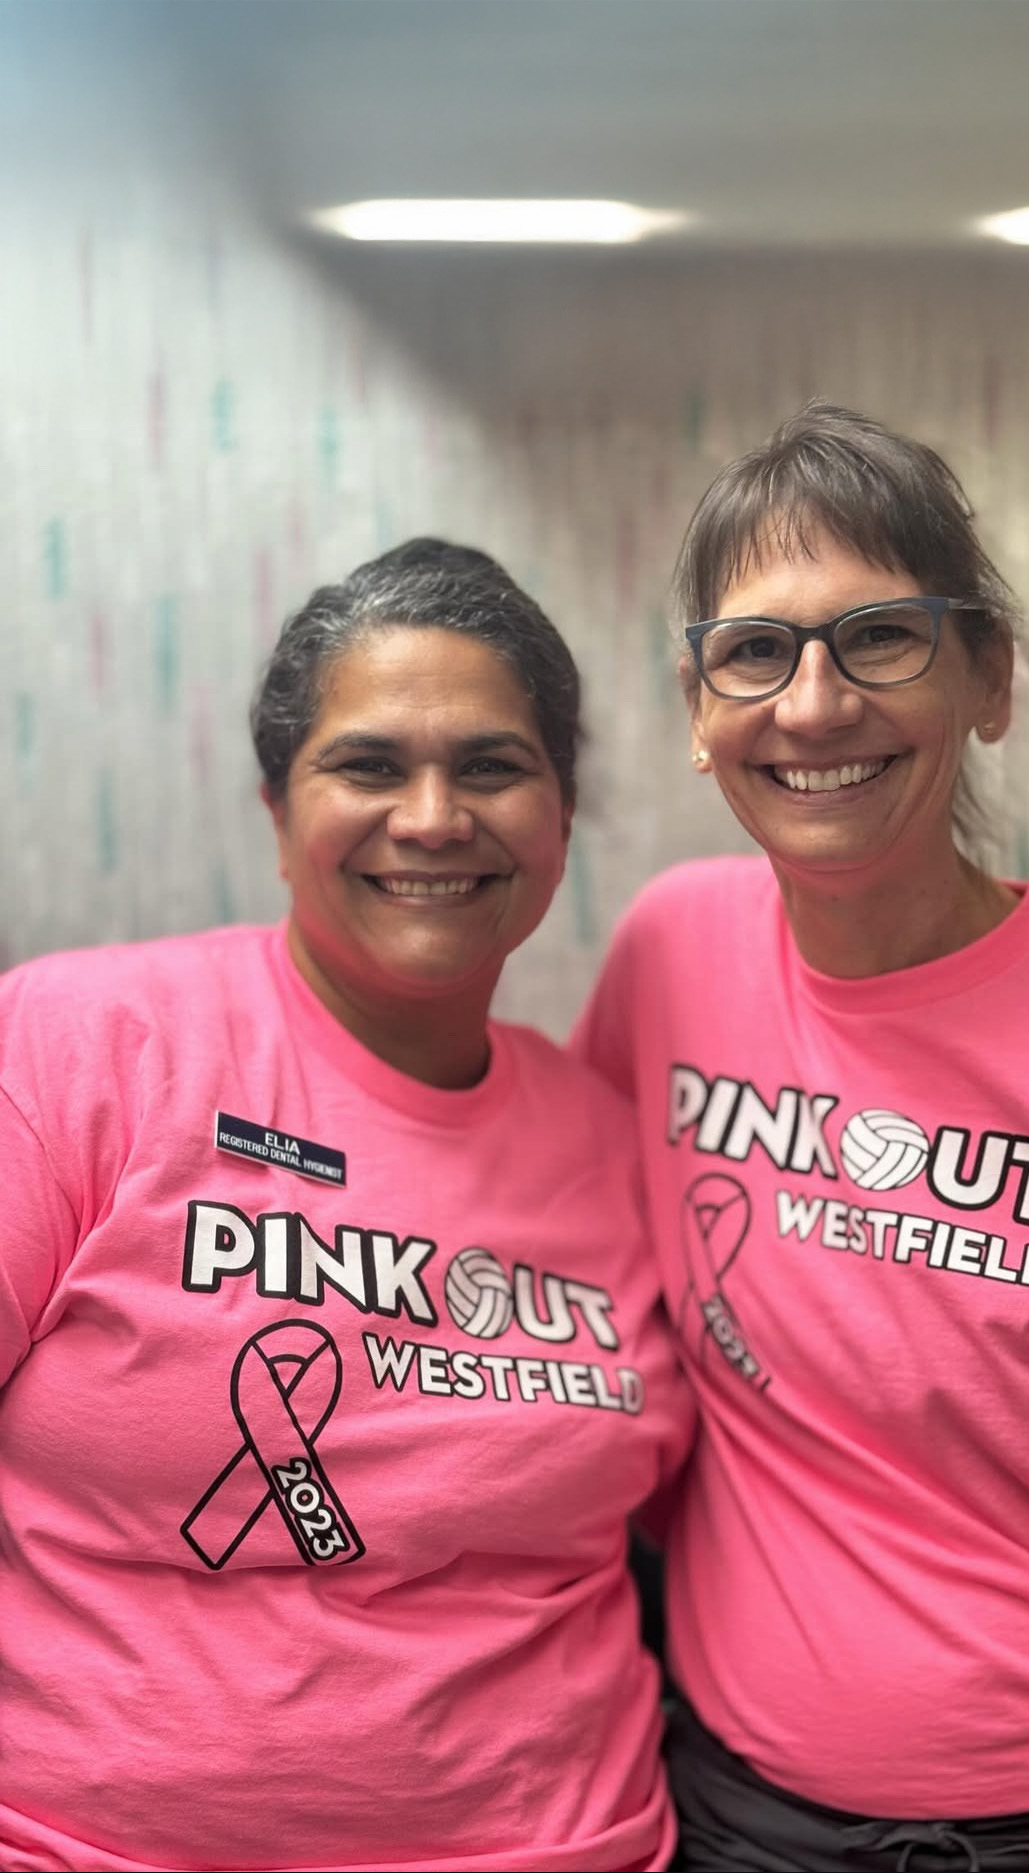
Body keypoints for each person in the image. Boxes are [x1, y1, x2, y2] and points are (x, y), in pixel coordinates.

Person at [0, 538, 692, 1873]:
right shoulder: (76, 1048)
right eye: (369, 764)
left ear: (560, 817)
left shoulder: (615, 1146)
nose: (433, 816)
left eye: (493, 765)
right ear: (277, 811)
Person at [572, 404, 1029, 1873]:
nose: (814, 704)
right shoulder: (668, 956)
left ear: (990, 678)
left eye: (882, 638)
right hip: (734, 1817)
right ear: (702, 709)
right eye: (758, 652)